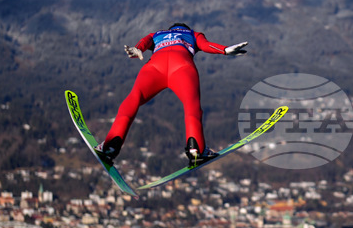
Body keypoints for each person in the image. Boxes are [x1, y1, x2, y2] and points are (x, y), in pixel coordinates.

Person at [96, 22, 248, 167]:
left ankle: (110, 146)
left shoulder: (157, 34)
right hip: (182, 67)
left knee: (134, 98)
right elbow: (206, 45)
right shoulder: (193, 34)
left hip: (154, 67)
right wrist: (225, 50)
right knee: (191, 106)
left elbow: (144, 42)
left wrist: (138, 49)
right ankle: (196, 150)